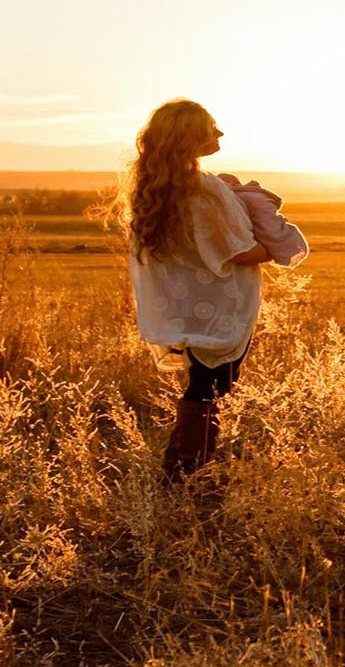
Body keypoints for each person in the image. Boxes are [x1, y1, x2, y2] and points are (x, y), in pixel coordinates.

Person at [111, 100, 284, 479]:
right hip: (220, 308)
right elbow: (239, 252)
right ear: (191, 137)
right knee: (210, 388)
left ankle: (185, 468)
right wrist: (276, 242)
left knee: (205, 385)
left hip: (188, 305)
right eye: (212, 127)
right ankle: (187, 472)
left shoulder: (155, 187)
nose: (220, 134)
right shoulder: (203, 189)